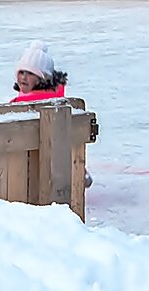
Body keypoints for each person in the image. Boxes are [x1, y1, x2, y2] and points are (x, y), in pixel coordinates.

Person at [9, 41, 93, 188]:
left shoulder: (20, 104)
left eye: (30, 73)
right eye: (21, 72)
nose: (23, 77)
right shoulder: (59, 100)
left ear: (43, 78)